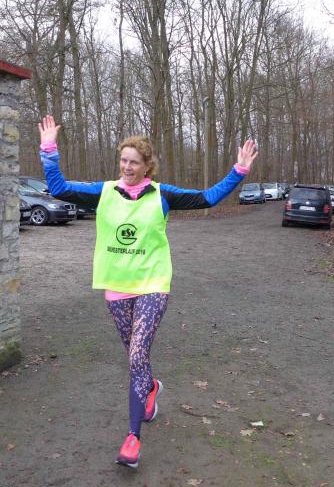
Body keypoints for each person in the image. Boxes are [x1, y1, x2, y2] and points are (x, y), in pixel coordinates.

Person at [38, 115, 258, 468]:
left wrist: (239, 171)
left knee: (138, 354)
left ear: (146, 166)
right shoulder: (104, 192)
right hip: (116, 287)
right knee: (135, 358)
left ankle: (132, 438)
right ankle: (151, 388)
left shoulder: (162, 195)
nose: (127, 167)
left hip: (153, 285)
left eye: (134, 162)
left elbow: (207, 198)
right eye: (123, 160)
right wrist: (49, 150)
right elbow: (60, 188)